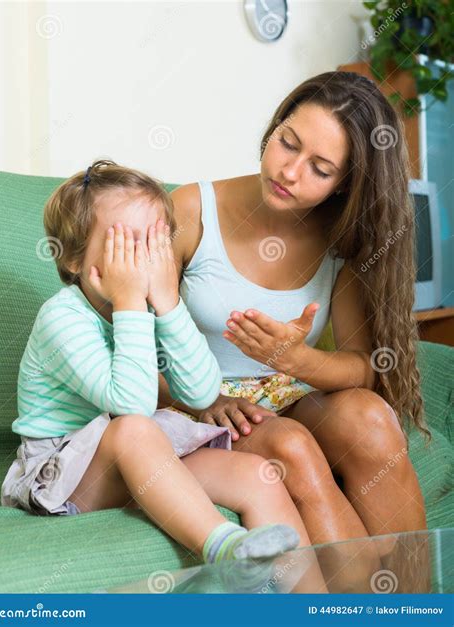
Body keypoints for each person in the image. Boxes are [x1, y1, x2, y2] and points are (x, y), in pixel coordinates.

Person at [0, 160, 318, 571]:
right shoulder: (61, 318)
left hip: (135, 454)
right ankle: (223, 549)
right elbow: (132, 406)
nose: (145, 262)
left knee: (259, 475)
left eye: (157, 244)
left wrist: (169, 304)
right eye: (128, 246)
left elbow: (202, 393)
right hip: (59, 473)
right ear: (76, 259)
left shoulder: (149, 310)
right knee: (134, 428)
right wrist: (132, 303)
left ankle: (314, 607)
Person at [160, 71, 428, 550]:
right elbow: (128, 338)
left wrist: (294, 358)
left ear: (346, 185)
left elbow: (363, 368)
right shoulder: (190, 210)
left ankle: (416, 601)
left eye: (320, 169)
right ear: (275, 127)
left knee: (369, 418)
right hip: (199, 404)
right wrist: (199, 397)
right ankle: (366, 608)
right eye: (288, 143)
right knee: (291, 445)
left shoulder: (340, 239)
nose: (289, 171)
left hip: (289, 392)